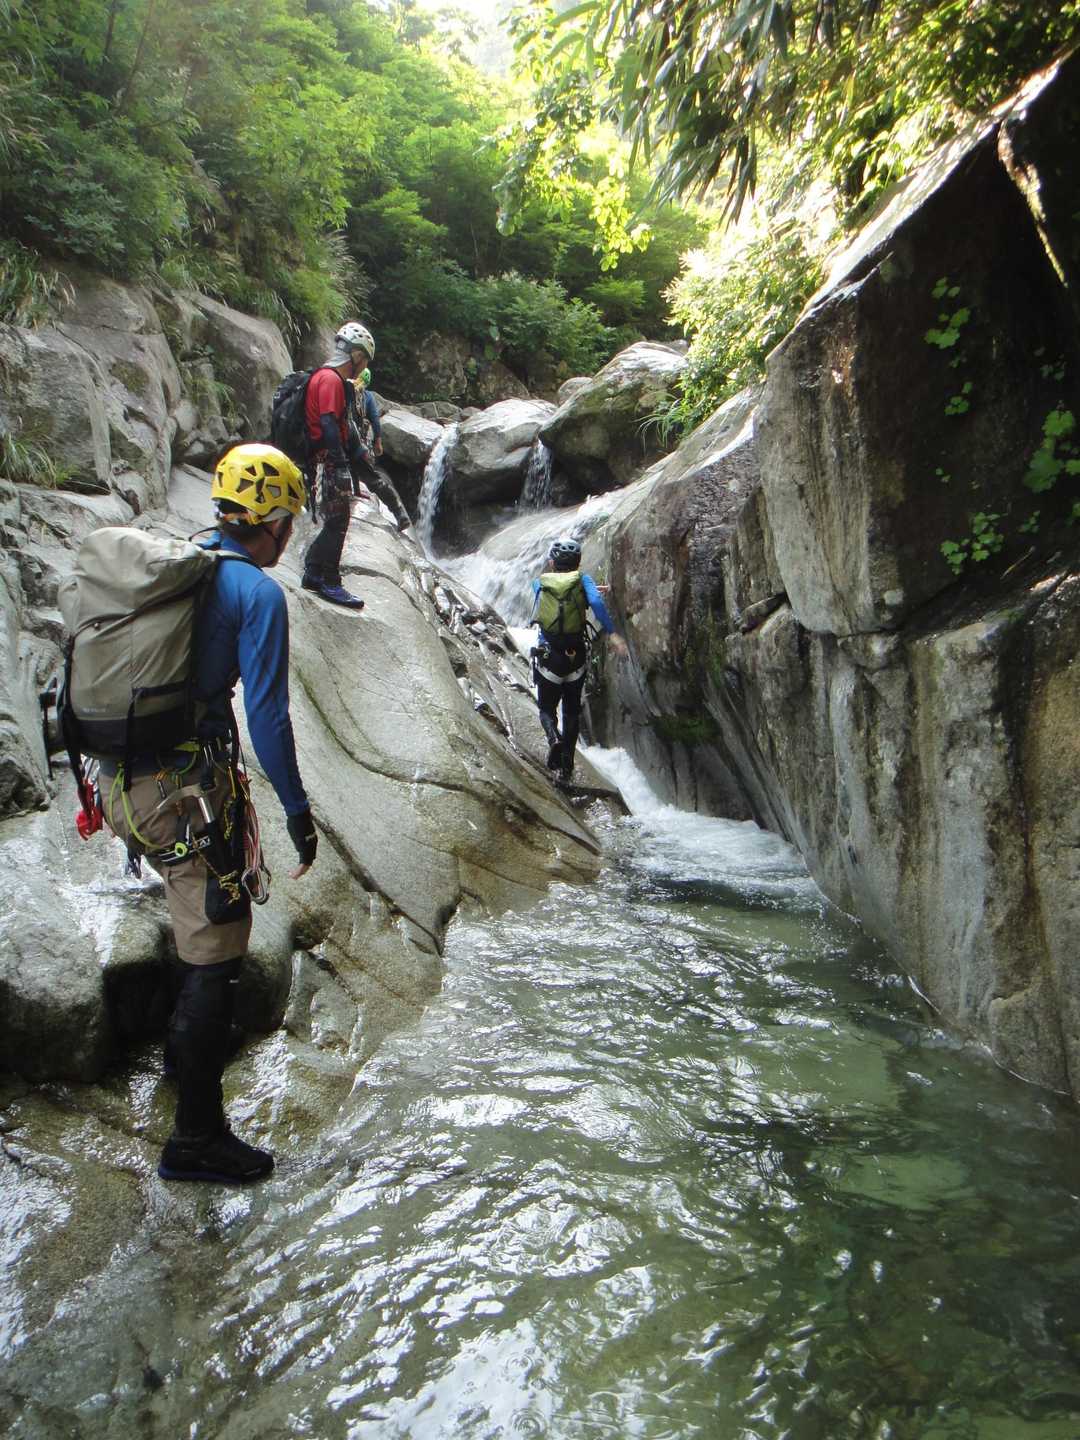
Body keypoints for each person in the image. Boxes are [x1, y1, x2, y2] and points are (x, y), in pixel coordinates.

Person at [101, 443, 318, 1185]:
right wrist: (297, 811)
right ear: (276, 521)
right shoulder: (256, 593)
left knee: (191, 913)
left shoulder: (187, 562)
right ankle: (195, 1139)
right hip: (180, 795)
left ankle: (181, 1056)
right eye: (289, 519)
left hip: (120, 781)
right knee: (217, 950)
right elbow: (269, 718)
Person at [530, 538, 628, 787]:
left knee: (546, 709)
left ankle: (554, 738)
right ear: (578, 562)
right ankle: (567, 767)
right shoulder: (583, 580)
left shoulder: (540, 582)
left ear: (552, 563)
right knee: (571, 711)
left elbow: (553, 603)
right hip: (575, 657)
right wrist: (612, 633)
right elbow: (594, 602)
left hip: (548, 657)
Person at [301, 320, 377, 608]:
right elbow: (328, 423)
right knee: (339, 520)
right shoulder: (332, 380)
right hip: (329, 460)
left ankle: (313, 572)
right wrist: (341, 463)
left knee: (334, 520)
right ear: (356, 356)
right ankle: (330, 582)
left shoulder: (322, 376)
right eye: (365, 360)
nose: (364, 366)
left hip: (321, 459)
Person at [348, 368, 412, 532]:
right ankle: (399, 513)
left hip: (338, 438)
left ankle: (351, 492)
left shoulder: (342, 388)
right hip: (355, 442)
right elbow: (375, 420)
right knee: (373, 478)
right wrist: (378, 441)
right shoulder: (366, 396)